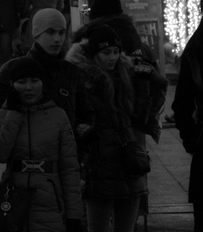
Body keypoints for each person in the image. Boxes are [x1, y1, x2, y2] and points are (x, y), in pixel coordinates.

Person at [65, 25, 164, 232]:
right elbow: (78, 118)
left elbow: (139, 118)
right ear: (94, 54)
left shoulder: (126, 75)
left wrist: (144, 84)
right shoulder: (85, 80)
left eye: (116, 52)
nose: (113, 57)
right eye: (106, 52)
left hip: (129, 166)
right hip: (101, 167)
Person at [0, 57, 82, 232]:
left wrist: (74, 215)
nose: (29, 87)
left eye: (34, 81)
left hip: (50, 203)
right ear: (12, 84)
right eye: (22, 82)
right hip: (12, 200)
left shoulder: (58, 116)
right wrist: (14, 114)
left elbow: (70, 168)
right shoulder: (1, 116)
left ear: (43, 82)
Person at [0, 9, 95, 142]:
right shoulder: (12, 69)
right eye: (50, 32)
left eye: (61, 32)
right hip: (24, 156)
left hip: (65, 156)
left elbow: (85, 115)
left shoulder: (72, 72)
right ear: (37, 34)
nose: (57, 39)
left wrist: (79, 142)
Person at [172, 18, 203, 231]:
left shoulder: (196, 48)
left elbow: (181, 105)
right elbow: (182, 105)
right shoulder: (196, 50)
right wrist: (192, 140)